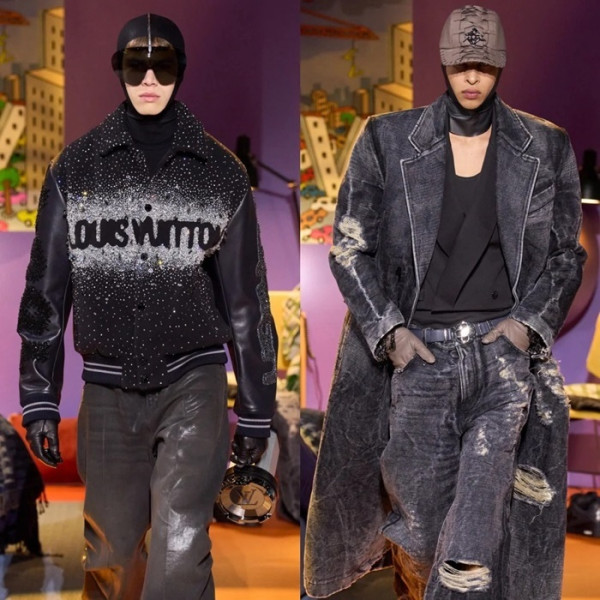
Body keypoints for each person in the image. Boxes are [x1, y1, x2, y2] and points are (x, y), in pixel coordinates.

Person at [305, 5, 585, 600]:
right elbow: (350, 247)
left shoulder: (544, 145)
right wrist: (392, 335)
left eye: (483, 64)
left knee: (472, 542)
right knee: (424, 529)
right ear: (443, 62)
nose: (472, 76)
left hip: (500, 361)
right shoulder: (387, 140)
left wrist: (524, 328)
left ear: (500, 64)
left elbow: (567, 255)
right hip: (421, 363)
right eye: (461, 63)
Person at [17, 13, 277, 599]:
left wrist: (256, 408)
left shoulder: (222, 176)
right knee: (110, 556)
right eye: (138, 65)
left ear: (181, 71)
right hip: (107, 390)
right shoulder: (74, 170)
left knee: (181, 549)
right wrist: (39, 398)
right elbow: (46, 292)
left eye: (164, 66)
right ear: (119, 69)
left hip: (194, 383)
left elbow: (247, 301)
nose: (151, 78)